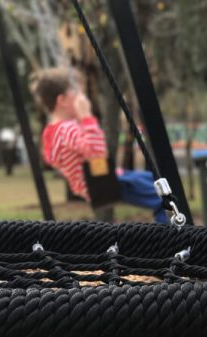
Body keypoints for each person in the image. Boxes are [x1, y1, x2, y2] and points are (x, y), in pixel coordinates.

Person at [30, 68, 168, 223]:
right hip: (102, 183)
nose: (83, 99)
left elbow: (56, 156)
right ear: (62, 100)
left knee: (158, 181)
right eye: (77, 94)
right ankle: (171, 239)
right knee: (163, 197)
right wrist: (86, 117)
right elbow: (97, 151)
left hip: (105, 178)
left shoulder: (52, 131)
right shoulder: (66, 129)